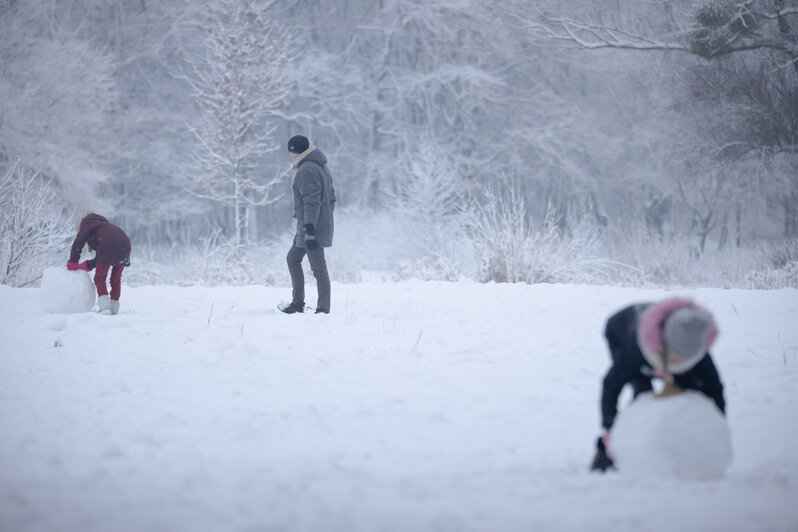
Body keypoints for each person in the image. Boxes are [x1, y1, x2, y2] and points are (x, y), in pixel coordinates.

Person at [591, 298, 726, 472]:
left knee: (685, 392)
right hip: (620, 333)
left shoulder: (698, 352)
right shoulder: (635, 346)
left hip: (659, 351)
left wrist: (716, 426)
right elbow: (611, 384)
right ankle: (615, 453)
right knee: (643, 393)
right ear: (665, 344)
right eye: (676, 356)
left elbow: (714, 389)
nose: (680, 360)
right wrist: (609, 427)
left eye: (686, 359)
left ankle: (677, 447)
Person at [279, 135, 336, 315]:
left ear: (296, 151)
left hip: (311, 227)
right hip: (311, 224)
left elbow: (312, 201)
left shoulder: (307, 170)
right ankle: (298, 303)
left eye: (291, 151)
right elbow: (331, 197)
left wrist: (311, 228)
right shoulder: (320, 166)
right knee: (293, 258)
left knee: (318, 267)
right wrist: (323, 218)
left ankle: (322, 309)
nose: (290, 155)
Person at [66, 211, 131, 315]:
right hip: (125, 244)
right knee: (116, 278)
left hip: (109, 244)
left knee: (99, 277)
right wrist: (88, 265)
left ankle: (105, 307)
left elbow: (78, 242)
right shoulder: (103, 226)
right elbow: (105, 255)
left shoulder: (86, 222)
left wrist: (73, 262)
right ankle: (114, 307)